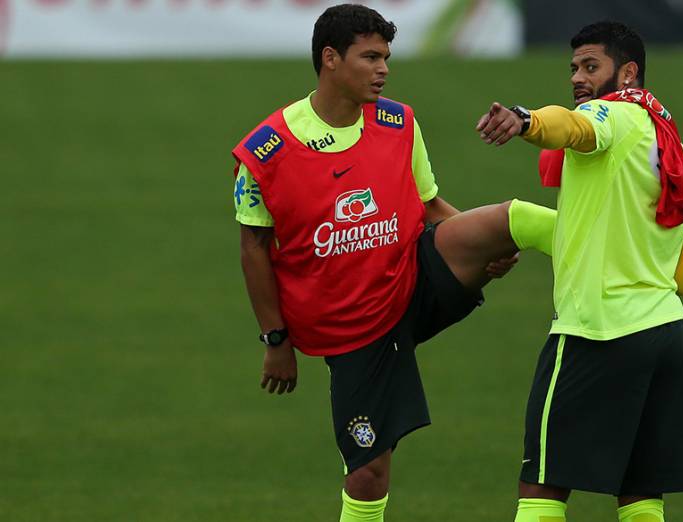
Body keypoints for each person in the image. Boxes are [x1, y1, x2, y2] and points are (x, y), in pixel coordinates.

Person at [233, 5, 561, 522]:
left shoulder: (397, 121)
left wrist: (487, 249)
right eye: (370, 57)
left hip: (414, 278)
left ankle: (630, 253)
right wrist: (276, 340)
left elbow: (431, 206)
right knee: (368, 473)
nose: (383, 68)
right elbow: (253, 247)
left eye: (386, 56)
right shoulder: (267, 151)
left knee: (508, 219)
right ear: (330, 59)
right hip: (352, 327)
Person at [475, 21, 683, 522]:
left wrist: (525, 120)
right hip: (665, 338)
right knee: (640, 496)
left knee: (542, 487)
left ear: (628, 72)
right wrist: (519, 228)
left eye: (590, 66)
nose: (577, 77)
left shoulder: (612, 114)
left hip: (596, 332)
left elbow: (572, 126)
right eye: (574, 67)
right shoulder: (679, 153)